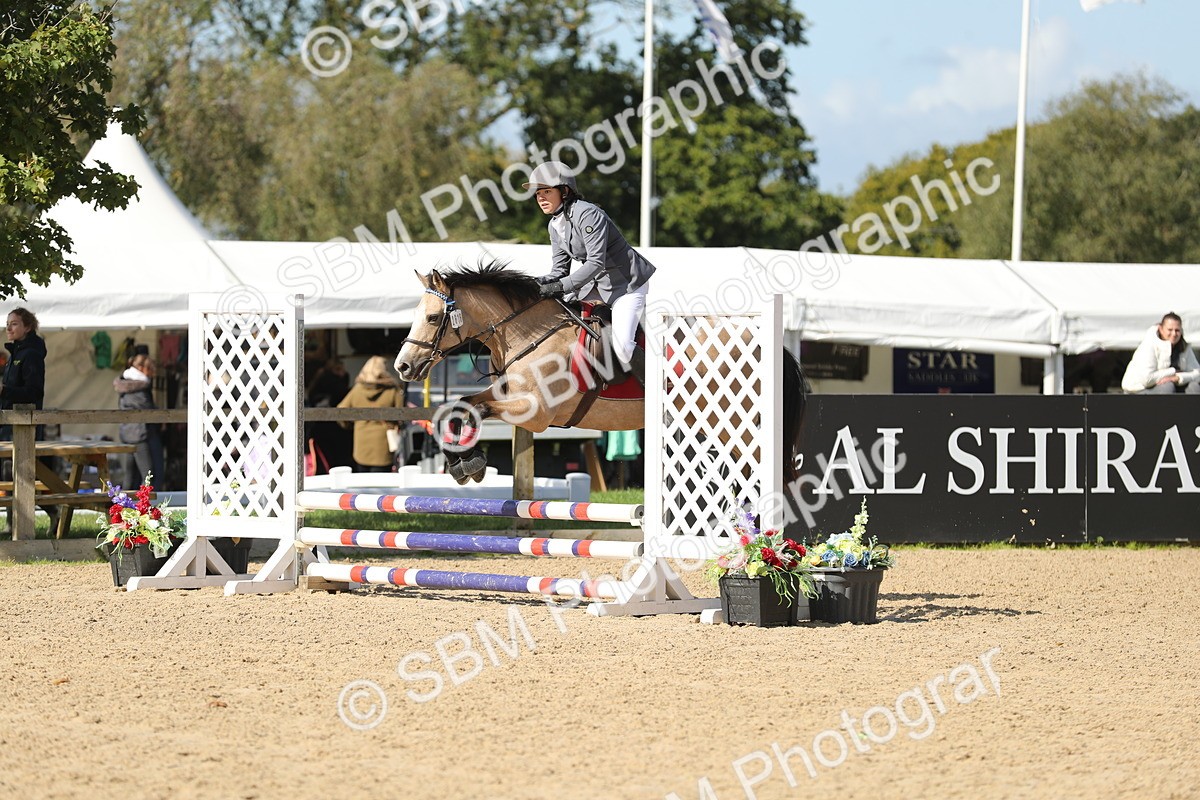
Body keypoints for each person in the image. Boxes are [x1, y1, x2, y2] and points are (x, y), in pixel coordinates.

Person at [525, 161, 655, 381]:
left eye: (547, 191)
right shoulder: (554, 225)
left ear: (564, 191)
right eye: (538, 193)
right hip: (596, 285)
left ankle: (660, 388)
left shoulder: (588, 214)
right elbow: (559, 270)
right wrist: (531, 284)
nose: (541, 198)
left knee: (623, 346)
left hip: (626, 285)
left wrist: (559, 287)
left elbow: (595, 263)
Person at [337, 356, 406, 472]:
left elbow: (340, 411)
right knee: (382, 484)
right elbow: (402, 415)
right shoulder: (392, 390)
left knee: (362, 483)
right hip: (383, 446)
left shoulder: (357, 389)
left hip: (361, 445)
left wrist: (350, 426)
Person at [114, 352, 166, 486]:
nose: (152, 374)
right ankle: (146, 503)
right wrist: (162, 415)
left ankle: (124, 504)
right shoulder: (138, 387)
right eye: (151, 370)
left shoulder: (125, 384)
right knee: (148, 474)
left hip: (128, 432)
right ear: (143, 368)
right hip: (139, 434)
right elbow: (147, 408)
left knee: (131, 475)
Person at [1120, 312, 1200, 394]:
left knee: (1194, 387)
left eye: (1177, 330)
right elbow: (1147, 380)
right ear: (1161, 329)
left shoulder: (1184, 346)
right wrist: (1173, 371)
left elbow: (1198, 373)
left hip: (1168, 386)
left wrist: (1178, 378)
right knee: (1167, 387)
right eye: (1170, 330)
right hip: (1138, 390)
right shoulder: (1149, 345)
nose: (1174, 334)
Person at [0, 308, 48, 440]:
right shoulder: (15, 353)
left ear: (27, 327)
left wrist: (3, 391)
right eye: (7, 323)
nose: (8, 328)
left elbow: (34, 392)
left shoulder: (32, 354)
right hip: (8, 424)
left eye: (14, 323)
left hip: (23, 428)